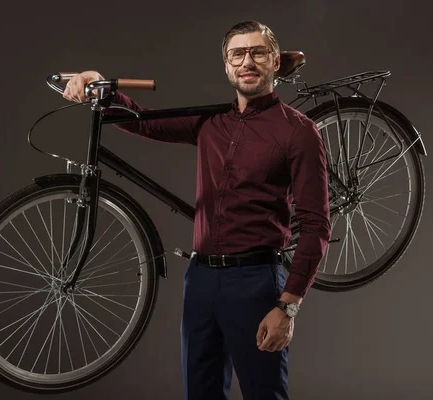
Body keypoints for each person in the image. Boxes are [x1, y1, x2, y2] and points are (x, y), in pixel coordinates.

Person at [63, 20, 331, 400]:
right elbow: (144, 123)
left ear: (274, 61)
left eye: (257, 52)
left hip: (255, 282)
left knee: (264, 394)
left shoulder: (298, 131)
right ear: (226, 66)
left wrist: (287, 308)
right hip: (201, 280)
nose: (247, 62)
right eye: (237, 54)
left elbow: (317, 225)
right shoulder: (210, 122)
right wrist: (98, 84)